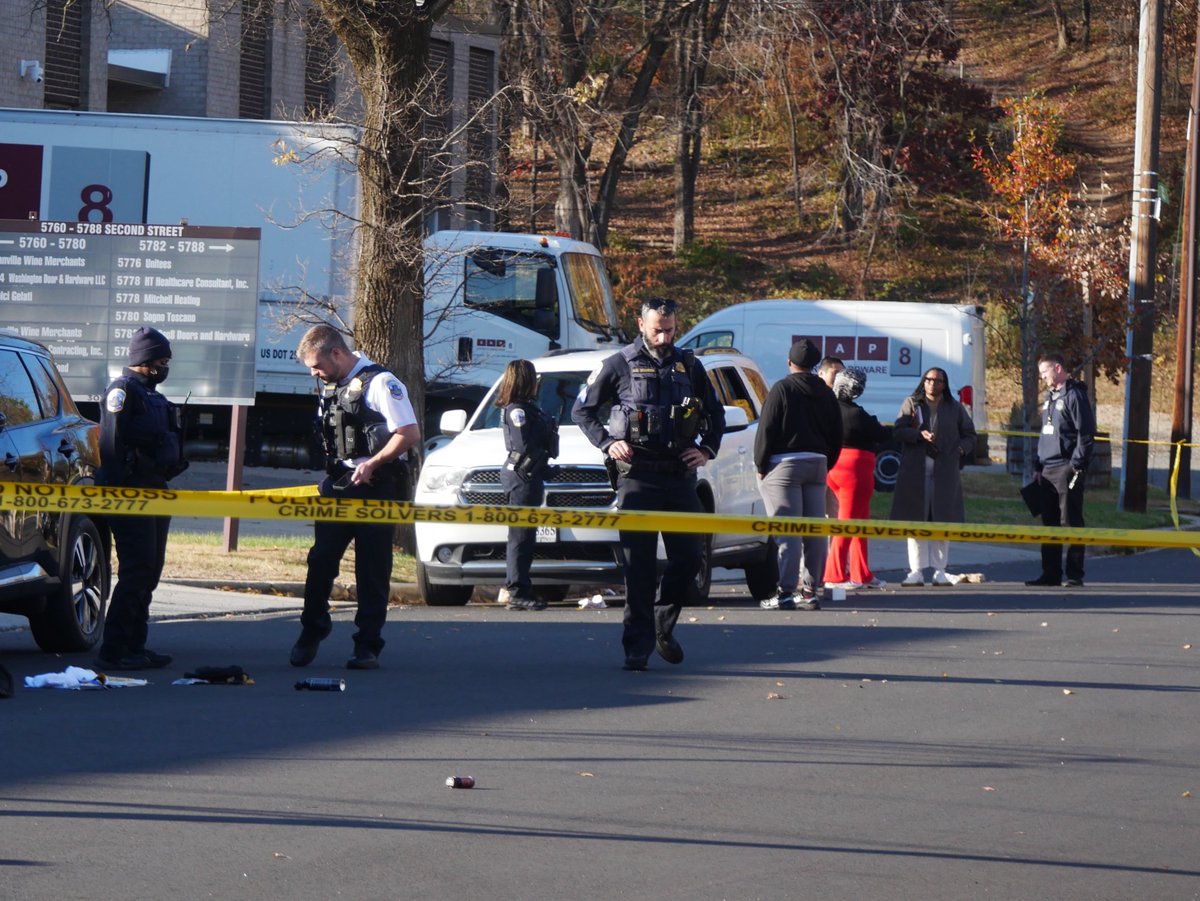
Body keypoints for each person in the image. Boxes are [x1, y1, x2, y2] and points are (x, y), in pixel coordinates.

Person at [572, 297, 725, 671]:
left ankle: (663, 621)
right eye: (658, 328)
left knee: (690, 557)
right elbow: (582, 409)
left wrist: (706, 450)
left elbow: (716, 413)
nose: (664, 335)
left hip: (678, 476)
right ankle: (636, 646)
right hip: (637, 477)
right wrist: (609, 443)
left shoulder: (690, 365)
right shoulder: (619, 364)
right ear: (641, 324)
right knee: (638, 566)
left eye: (670, 329)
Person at [290, 325, 421, 670]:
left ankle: (367, 645)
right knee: (320, 561)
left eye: (317, 366)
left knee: (372, 568)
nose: (314, 374)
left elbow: (408, 433)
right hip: (338, 485)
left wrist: (375, 462)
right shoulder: (333, 385)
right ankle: (313, 627)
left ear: (337, 353)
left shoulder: (381, 383)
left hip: (376, 486)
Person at [93, 326, 188, 671]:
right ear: (146, 360)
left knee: (151, 568)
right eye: (162, 360)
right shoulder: (122, 392)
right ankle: (115, 648)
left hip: (154, 490)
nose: (166, 366)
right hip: (129, 493)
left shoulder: (151, 395)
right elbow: (111, 445)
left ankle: (136, 643)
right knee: (137, 568)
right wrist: (119, 492)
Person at [753, 338, 842, 610]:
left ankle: (785, 591)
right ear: (815, 365)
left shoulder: (782, 389)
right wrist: (827, 462)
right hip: (817, 463)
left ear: (789, 362)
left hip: (784, 465)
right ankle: (810, 590)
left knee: (788, 531)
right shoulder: (826, 393)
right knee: (815, 530)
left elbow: (766, 429)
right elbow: (837, 433)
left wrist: (760, 464)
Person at [890, 366, 976, 586]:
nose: (932, 384)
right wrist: (917, 434)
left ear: (944, 384)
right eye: (928, 380)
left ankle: (940, 570)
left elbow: (970, 435)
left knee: (941, 519)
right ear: (923, 382)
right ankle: (916, 571)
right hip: (915, 470)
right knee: (916, 520)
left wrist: (960, 450)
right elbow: (898, 431)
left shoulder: (955, 408)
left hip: (945, 470)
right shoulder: (911, 403)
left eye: (937, 381)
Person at [1026, 353, 1096, 587]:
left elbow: (1085, 434)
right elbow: (1045, 434)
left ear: (1057, 368)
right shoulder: (1049, 397)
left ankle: (1075, 574)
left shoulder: (1074, 395)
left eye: (1045, 372)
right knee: (1050, 523)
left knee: (1071, 520)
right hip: (1047, 469)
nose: (1043, 377)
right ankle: (1051, 573)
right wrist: (1038, 465)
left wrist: (1076, 465)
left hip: (1066, 467)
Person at [497, 359, 558, 611]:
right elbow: (523, 447)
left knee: (526, 536)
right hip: (523, 476)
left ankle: (521, 586)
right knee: (521, 536)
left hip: (531, 476)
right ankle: (517, 591)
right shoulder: (518, 410)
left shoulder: (530, 409)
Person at [823, 368, 890, 590]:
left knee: (858, 523)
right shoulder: (856, 414)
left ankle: (861, 573)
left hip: (834, 467)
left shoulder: (829, 410)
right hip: (856, 470)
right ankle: (834, 575)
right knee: (848, 525)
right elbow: (881, 435)